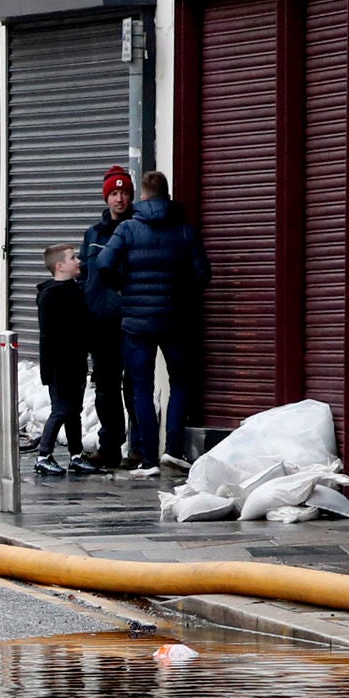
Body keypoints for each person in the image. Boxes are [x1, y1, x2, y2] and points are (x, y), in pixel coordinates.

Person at [90, 169, 208, 471]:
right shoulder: (185, 231)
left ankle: (148, 457)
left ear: (141, 196)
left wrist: (122, 285)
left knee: (141, 387)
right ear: (167, 196)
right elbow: (203, 275)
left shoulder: (128, 229)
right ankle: (173, 449)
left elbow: (104, 264)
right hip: (176, 320)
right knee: (180, 383)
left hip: (137, 322)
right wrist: (180, 293)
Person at [79, 167, 137, 470]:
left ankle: (137, 449)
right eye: (114, 193)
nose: (120, 199)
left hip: (130, 320)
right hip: (100, 323)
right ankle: (110, 446)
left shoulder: (138, 229)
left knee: (135, 386)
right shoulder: (94, 233)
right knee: (106, 388)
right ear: (106, 197)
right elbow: (83, 275)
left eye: (125, 193)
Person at [35, 244, 93, 475]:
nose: (78, 260)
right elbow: (48, 336)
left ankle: (76, 455)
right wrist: (49, 369)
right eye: (72, 257)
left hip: (76, 362)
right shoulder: (50, 296)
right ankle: (43, 455)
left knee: (74, 411)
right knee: (60, 408)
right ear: (60, 266)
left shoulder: (76, 290)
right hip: (60, 365)